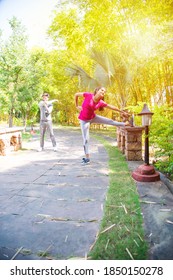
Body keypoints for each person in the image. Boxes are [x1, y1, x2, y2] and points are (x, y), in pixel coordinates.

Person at [74, 86, 131, 164]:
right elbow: (76, 94)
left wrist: (122, 112)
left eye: (104, 92)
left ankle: (125, 124)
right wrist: (76, 106)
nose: (103, 92)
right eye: (102, 90)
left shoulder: (100, 102)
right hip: (84, 121)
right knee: (86, 139)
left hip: (93, 117)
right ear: (97, 90)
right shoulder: (88, 95)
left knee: (109, 121)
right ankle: (87, 158)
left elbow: (111, 107)